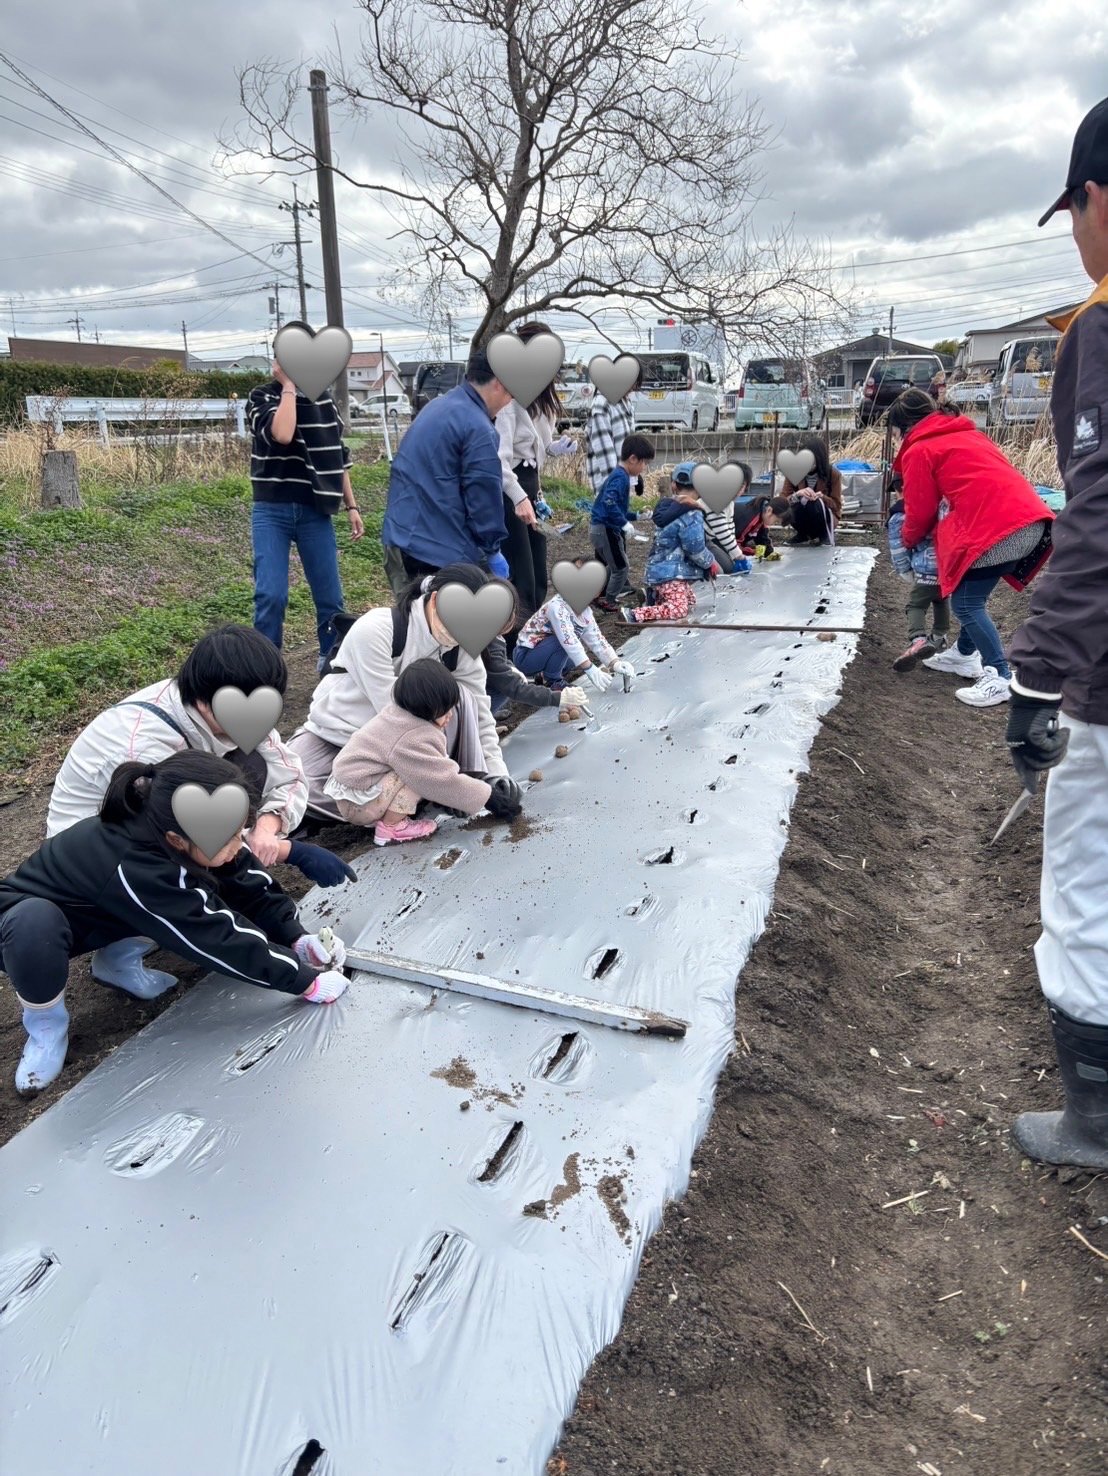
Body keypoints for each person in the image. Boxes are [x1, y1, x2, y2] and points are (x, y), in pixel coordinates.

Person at [0, 752, 351, 1094]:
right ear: (176, 840)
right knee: (36, 925)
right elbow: (211, 936)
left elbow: (244, 880)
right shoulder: (134, 863)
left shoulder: (189, 830)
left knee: (184, 896)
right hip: (28, 927)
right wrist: (304, 980)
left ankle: (116, 964)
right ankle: (46, 1027)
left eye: (239, 830)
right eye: (228, 837)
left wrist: (294, 937)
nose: (237, 845)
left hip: (103, 908)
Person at [45, 625, 354, 999]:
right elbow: (197, 836)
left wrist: (268, 834)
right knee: (197, 896)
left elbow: (287, 770)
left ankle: (202, 922)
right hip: (97, 872)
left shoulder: (229, 704)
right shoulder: (143, 746)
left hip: (178, 831)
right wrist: (291, 853)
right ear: (207, 702)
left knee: (249, 772)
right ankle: (121, 951)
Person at [1007, 96, 1108, 1169]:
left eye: (1074, 211)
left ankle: (1094, 1116)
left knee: (1084, 878)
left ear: (1095, 198)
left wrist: (1037, 677)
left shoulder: (1104, 325)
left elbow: (1102, 512)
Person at [289, 564, 509, 818]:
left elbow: (480, 713)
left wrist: (496, 773)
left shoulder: (463, 649)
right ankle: (431, 791)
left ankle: (438, 789)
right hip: (338, 735)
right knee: (291, 788)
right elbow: (395, 718)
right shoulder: (376, 629)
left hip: (409, 747)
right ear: (436, 600)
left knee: (464, 699)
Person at [892, 388, 1054, 707]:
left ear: (905, 428)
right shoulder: (968, 434)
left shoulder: (920, 449)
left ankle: (1000, 675)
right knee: (972, 594)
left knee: (965, 604)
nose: (896, 439)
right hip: (1030, 520)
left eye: (895, 433)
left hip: (999, 529)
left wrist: (907, 543)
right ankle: (965, 654)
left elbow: (920, 511)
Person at [246, 322, 365, 669]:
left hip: (316, 509)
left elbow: (338, 455)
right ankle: (264, 669)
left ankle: (330, 662)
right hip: (272, 510)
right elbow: (282, 433)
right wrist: (288, 387)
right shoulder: (261, 397)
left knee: (330, 597)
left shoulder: (324, 400)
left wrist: (352, 505)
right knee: (270, 594)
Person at [323, 659, 524, 846]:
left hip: (355, 789)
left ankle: (389, 817)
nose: (450, 716)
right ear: (426, 709)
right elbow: (439, 779)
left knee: (418, 771)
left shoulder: (400, 713)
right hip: (358, 802)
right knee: (420, 775)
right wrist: (490, 798)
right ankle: (390, 829)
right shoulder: (412, 735)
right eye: (444, 712)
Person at [381, 347, 513, 590]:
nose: (509, 402)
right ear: (499, 384)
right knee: (448, 625)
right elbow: (484, 496)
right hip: (436, 551)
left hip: (400, 537)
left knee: (413, 622)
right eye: (511, 394)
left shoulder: (438, 406)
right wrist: (493, 549)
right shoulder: (478, 427)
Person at [494, 321, 578, 626]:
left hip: (531, 484)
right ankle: (514, 643)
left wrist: (558, 448)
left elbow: (537, 446)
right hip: (510, 489)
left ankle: (527, 635)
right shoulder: (508, 400)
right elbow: (499, 459)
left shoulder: (543, 398)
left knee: (539, 572)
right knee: (521, 573)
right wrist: (518, 498)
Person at [513, 566, 633, 693]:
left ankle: (542, 675)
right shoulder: (557, 607)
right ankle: (553, 681)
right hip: (525, 656)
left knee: (577, 656)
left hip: (542, 652)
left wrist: (615, 663)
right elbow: (567, 640)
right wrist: (590, 669)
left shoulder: (586, 613)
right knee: (567, 645)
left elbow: (597, 640)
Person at [622, 481, 719, 625]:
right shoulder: (691, 513)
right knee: (680, 609)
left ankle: (654, 596)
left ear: (674, 485)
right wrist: (709, 563)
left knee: (690, 601)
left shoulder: (668, 508)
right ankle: (634, 614)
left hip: (661, 569)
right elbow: (695, 548)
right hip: (672, 573)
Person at [886, 476, 951, 671]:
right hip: (946, 567)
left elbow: (898, 546)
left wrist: (904, 570)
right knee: (941, 600)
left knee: (915, 605)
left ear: (901, 490)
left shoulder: (900, 514)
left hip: (924, 569)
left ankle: (918, 639)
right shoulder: (940, 505)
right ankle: (939, 636)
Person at [590, 433, 656, 612]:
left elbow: (617, 509)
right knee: (621, 568)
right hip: (605, 528)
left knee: (616, 565)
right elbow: (609, 503)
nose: (644, 468)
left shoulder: (620, 475)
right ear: (633, 459)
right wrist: (623, 524)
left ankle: (599, 594)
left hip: (603, 527)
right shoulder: (620, 477)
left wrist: (637, 516)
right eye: (644, 463)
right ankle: (608, 600)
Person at [666, 460, 743, 572]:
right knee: (721, 571)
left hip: (662, 562)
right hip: (682, 562)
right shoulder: (694, 511)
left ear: (673, 485)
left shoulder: (665, 506)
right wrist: (711, 565)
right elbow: (694, 548)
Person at [585, 365, 640, 496]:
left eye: (635, 384)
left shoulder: (625, 402)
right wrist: (614, 486)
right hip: (607, 482)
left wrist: (635, 476)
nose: (632, 388)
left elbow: (628, 444)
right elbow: (604, 451)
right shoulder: (602, 404)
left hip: (622, 479)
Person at [779, 434, 843, 545]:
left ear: (819, 459)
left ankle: (824, 535)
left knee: (814, 503)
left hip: (824, 516)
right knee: (797, 503)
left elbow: (837, 505)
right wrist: (797, 495)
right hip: (802, 515)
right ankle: (803, 534)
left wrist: (822, 497)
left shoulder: (833, 474)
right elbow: (781, 501)